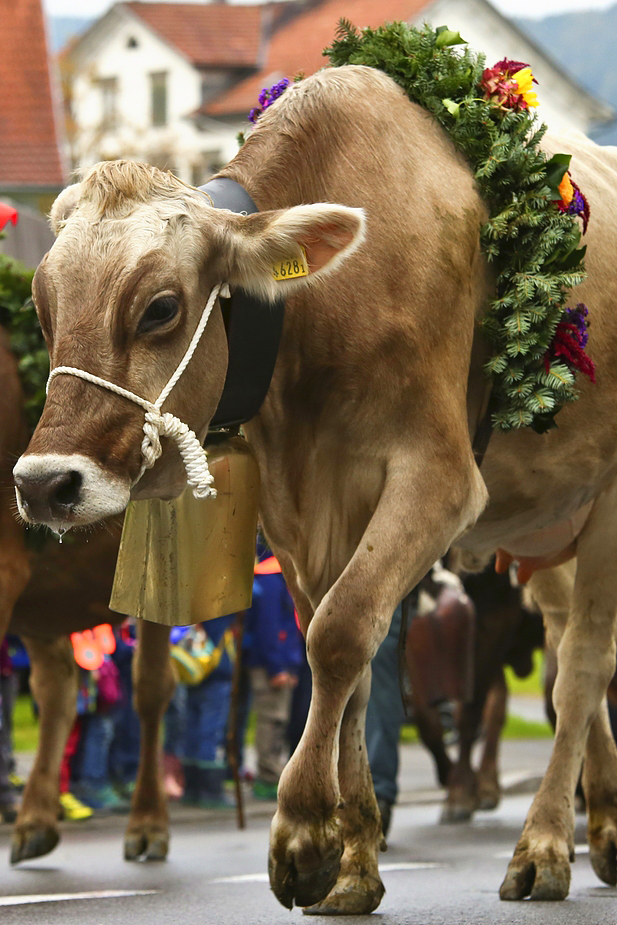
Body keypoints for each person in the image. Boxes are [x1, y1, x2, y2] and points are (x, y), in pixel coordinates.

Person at [245, 550, 304, 800]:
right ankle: (267, 776)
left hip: (284, 661)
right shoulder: (270, 578)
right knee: (272, 719)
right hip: (271, 664)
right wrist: (277, 667)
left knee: (280, 719)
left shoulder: (279, 576)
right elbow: (268, 628)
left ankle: (272, 770)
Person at [172, 614, 236, 809]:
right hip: (215, 672)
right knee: (211, 731)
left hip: (194, 669)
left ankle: (192, 787)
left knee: (192, 728)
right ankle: (210, 789)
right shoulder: (220, 604)